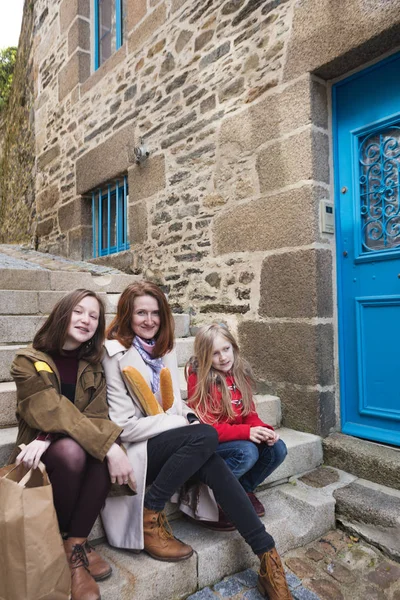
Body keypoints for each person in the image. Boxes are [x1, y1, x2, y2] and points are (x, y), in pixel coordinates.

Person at [101, 281, 292, 600]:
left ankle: (268, 557)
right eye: (140, 313)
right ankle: (150, 513)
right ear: (126, 316)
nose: (149, 320)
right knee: (205, 434)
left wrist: (185, 417)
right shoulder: (115, 355)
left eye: (155, 313)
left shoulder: (163, 350)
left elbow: (175, 403)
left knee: (213, 460)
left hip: (172, 437)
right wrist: (182, 421)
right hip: (139, 446)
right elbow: (124, 427)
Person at [9, 289, 135, 600]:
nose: (86, 320)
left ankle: (75, 546)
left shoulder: (91, 365)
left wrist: (109, 446)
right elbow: (49, 408)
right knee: (76, 450)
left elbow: (97, 416)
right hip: (37, 455)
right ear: (63, 313)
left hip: (68, 442)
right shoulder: (27, 360)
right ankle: (71, 543)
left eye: (94, 316)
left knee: (99, 449)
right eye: (79, 311)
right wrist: (51, 436)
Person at [186, 323, 287, 518]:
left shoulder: (239, 373)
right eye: (215, 353)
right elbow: (207, 429)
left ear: (233, 347)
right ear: (205, 356)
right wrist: (246, 433)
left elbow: (249, 414)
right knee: (247, 452)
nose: (223, 357)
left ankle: (242, 489)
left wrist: (263, 430)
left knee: (277, 449)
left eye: (226, 349)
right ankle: (214, 494)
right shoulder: (198, 379)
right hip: (212, 444)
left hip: (235, 438)